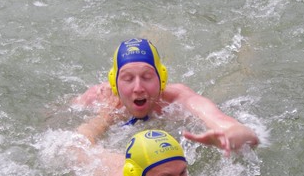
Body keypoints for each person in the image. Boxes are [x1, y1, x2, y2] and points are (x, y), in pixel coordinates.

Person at [73, 37, 260, 156]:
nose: (138, 88)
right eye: (128, 79)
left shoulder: (177, 98)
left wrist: (230, 136)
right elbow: (76, 143)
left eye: (147, 77)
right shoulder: (98, 98)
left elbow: (233, 127)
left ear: (161, 79)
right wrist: (104, 118)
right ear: (114, 83)